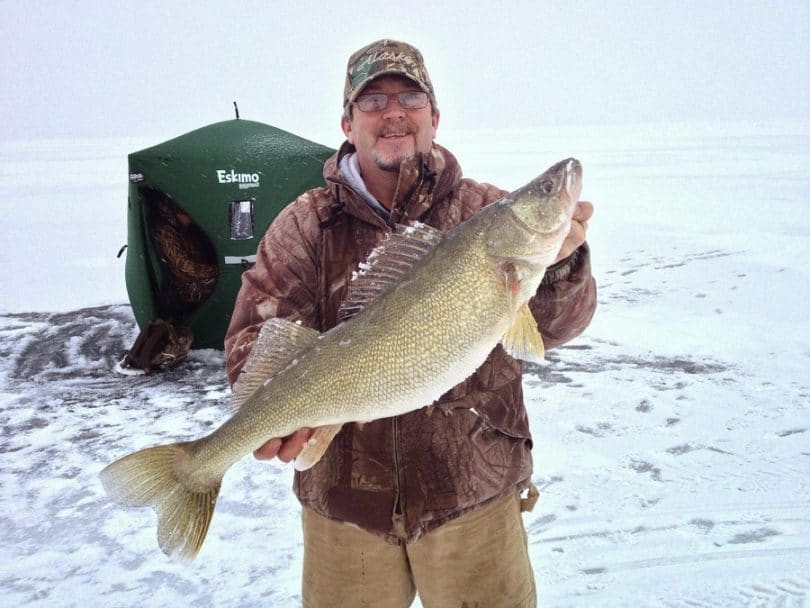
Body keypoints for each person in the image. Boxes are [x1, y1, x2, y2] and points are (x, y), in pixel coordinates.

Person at [224, 39, 596, 608]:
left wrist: (563, 261)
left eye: (410, 97)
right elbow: (253, 337)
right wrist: (275, 414)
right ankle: (192, 470)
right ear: (347, 124)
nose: (393, 112)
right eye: (373, 101)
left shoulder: (483, 212)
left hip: (473, 494)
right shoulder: (304, 226)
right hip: (343, 511)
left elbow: (556, 326)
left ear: (434, 117)